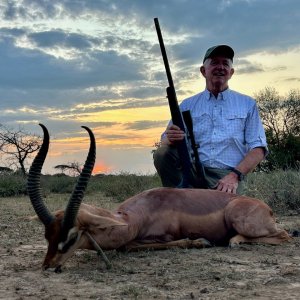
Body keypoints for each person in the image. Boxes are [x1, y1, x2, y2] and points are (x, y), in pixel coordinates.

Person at [153, 45, 268, 194]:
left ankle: (191, 202)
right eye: (214, 62)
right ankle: (179, 196)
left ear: (231, 72)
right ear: (203, 71)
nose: (220, 67)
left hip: (226, 176)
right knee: (162, 153)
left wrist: (234, 176)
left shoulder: (247, 104)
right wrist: (170, 138)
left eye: (225, 63)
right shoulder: (187, 104)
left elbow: (258, 149)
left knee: (227, 213)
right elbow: (165, 141)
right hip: (192, 171)